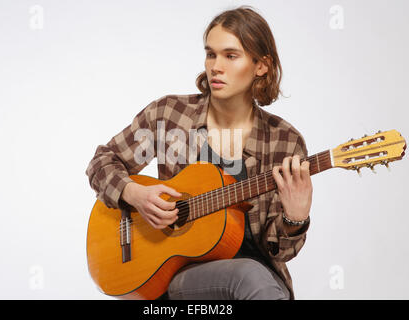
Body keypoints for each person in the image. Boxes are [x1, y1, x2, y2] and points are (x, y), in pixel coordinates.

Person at [85, 5, 313, 300]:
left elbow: (278, 251)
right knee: (250, 277)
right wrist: (133, 194)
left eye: (231, 56)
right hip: (175, 274)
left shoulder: (285, 141)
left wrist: (296, 218)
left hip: (252, 277)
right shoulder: (169, 114)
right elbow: (102, 162)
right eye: (211, 54)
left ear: (261, 65)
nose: (216, 66)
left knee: (252, 276)